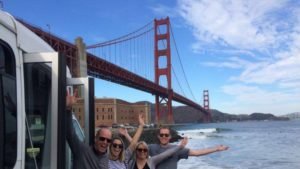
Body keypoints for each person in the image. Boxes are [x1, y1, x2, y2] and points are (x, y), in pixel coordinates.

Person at [66, 89, 111, 169]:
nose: (105, 142)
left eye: (108, 140)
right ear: (95, 139)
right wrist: (68, 108)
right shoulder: (82, 151)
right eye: (102, 138)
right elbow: (70, 133)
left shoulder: (107, 158)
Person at [148, 126, 229, 169]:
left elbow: (197, 153)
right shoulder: (152, 148)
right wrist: (141, 126)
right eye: (162, 135)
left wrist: (216, 149)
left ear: (170, 137)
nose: (164, 137)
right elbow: (135, 147)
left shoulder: (177, 148)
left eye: (166, 135)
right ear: (158, 136)